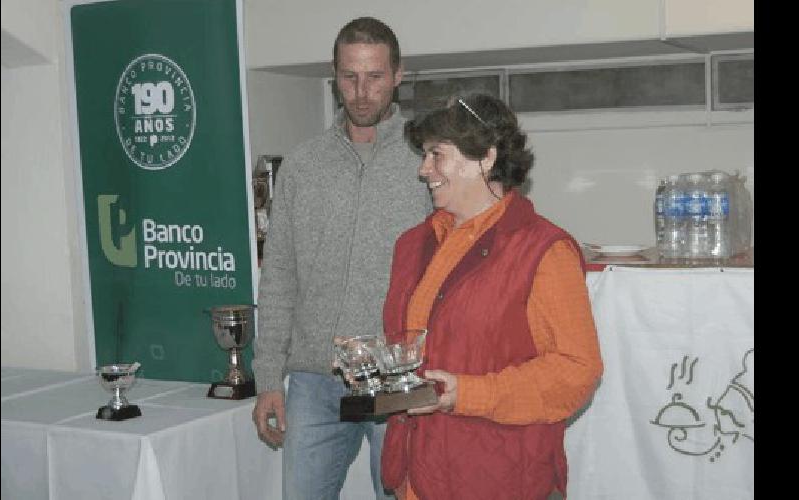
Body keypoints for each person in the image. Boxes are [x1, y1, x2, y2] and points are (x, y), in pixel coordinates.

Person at [378, 93, 604, 500]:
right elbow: (415, 345)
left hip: (498, 479)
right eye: (425, 156)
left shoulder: (543, 250)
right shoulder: (412, 245)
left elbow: (577, 371)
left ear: (485, 157)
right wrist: (372, 362)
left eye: (436, 155)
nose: (423, 169)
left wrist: (468, 394)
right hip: (416, 477)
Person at [250, 16, 433, 500]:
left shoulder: (430, 162)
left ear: (398, 75)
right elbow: (280, 276)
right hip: (314, 381)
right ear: (335, 78)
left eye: (375, 76)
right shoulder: (304, 165)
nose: (362, 91)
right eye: (350, 77)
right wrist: (268, 377)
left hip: (399, 384)